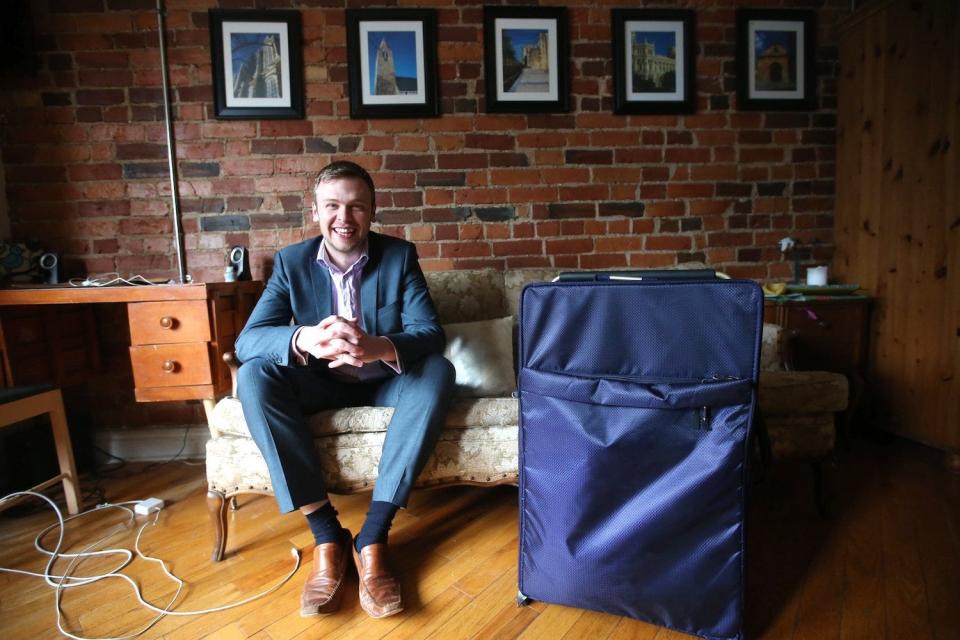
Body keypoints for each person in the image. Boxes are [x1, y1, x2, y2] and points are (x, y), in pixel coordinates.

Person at [234, 160, 455, 619]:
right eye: (332, 206)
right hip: (317, 383)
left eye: (356, 207)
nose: (344, 218)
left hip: (384, 384)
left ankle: (373, 535)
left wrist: (377, 346)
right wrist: (304, 337)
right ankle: (327, 536)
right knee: (253, 373)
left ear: (372, 211)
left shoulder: (399, 256)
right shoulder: (292, 262)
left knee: (437, 369)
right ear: (315, 212)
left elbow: (430, 333)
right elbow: (248, 340)